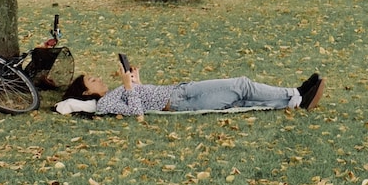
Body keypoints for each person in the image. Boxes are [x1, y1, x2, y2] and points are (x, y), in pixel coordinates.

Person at [55, 63, 324, 117]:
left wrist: (136, 81)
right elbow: (138, 112)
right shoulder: (103, 106)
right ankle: (296, 94)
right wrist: (129, 88)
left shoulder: (113, 93)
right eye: (92, 80)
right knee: (240, 88)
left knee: (240, 96)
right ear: (87, 93)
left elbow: (139, 96)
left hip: (180, 91)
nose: (98, 79)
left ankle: (297, 97)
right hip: (179, 101)